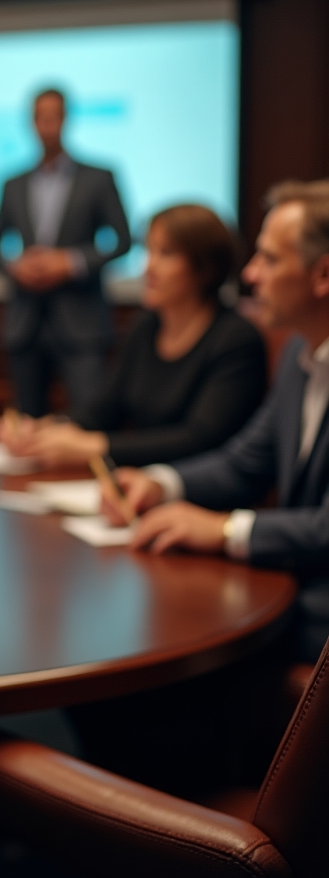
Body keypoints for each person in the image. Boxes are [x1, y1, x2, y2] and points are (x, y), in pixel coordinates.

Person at [102, 180, 329, 662]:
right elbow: (244, 461)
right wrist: (161, 484)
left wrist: (224, 530)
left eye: (269, 259)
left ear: (323, 274)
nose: (249, 274)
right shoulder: (298, 354)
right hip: (283, 593)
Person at [0, 204, 266, 467]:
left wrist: (96, 447)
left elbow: (201, 438)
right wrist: (42, 428)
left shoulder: (236, 339)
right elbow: (103, 410)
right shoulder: (145, 327)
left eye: (166, 254)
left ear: (206, 266)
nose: (148, 268)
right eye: (148, 251)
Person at [0, 88, 131, 418]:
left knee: (89, 417)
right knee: (28, 425)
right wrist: (16, 267)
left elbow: (123, 241)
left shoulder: (98, 178)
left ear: (66, 119)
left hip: (81, 321)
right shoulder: (13, 183)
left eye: (53, 117)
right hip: (25, 322)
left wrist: (71, 262)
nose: (47, 125)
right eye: (40, 117)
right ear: (31, 122)